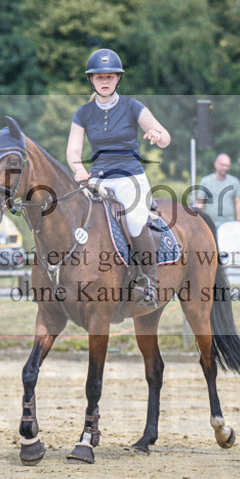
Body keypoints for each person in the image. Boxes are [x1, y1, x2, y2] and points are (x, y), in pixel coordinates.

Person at [67, 48, 171, 308]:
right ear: (91, 79)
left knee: (135, 222)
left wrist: (157, 136)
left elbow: (165, 136)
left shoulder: (132, 106)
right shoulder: (83, 113)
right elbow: (73, 149)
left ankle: (149, 283)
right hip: (97, 180)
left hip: (130, 178)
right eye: (99, 77)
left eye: (110, 77)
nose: (105, 81)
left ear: (117, 79)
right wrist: (79, 169)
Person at [196, 153, 240, 226]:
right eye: (223, 165)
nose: (225, 168)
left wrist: (238, 222)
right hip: (210, 224)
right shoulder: (205, 181)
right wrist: (199, 221)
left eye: (227, 166)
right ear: (216, 164)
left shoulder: (234, 182)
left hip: (229, 224)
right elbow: (200, 201)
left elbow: (238, 203)